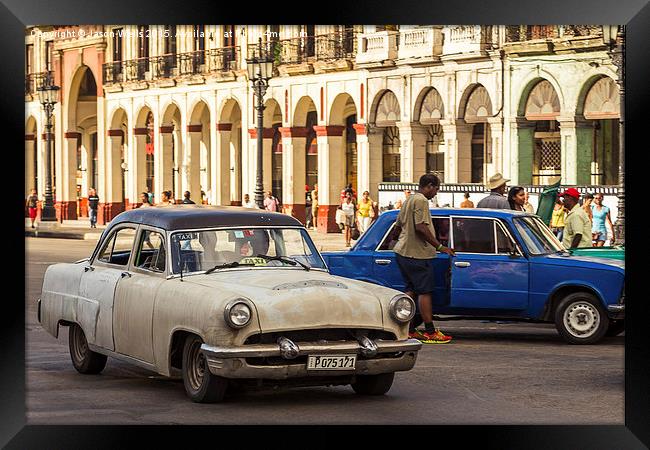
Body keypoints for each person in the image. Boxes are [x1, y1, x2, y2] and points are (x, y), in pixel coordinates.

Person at [392, 173, 455, 344]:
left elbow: (397, 226)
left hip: (403, 252)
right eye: (436, 189)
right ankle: (429, 331)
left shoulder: (409, 199)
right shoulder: (421, 200)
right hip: (416, 254)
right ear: (428, 186)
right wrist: (440, 247)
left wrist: (396, 241)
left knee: (411, 290)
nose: (436, 193)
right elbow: (420, 227)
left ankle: (407, 329)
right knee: (425, 291)